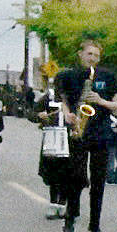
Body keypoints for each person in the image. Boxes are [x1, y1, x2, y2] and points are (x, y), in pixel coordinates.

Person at [55, 40, 117, 232]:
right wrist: (67, 114)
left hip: (101, 132)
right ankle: (71, 214)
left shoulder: (107, 77)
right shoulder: (69, 76)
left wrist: (101, 101)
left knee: (99, 181)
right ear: (81, 54)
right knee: (75, 177)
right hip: (79, 131)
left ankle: (95, 225)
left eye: (96, 55)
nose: (92, 58)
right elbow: (64, 101)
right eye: (89, 54)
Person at [35, 85, 68, 218]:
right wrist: (40, 115)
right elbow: (33, 112)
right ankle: (53, 203)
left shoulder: (75, 95)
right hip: (52, 138)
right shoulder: (50, 96)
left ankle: (63, 204)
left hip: (70, 137)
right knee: (53, 172)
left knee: (67, 172)